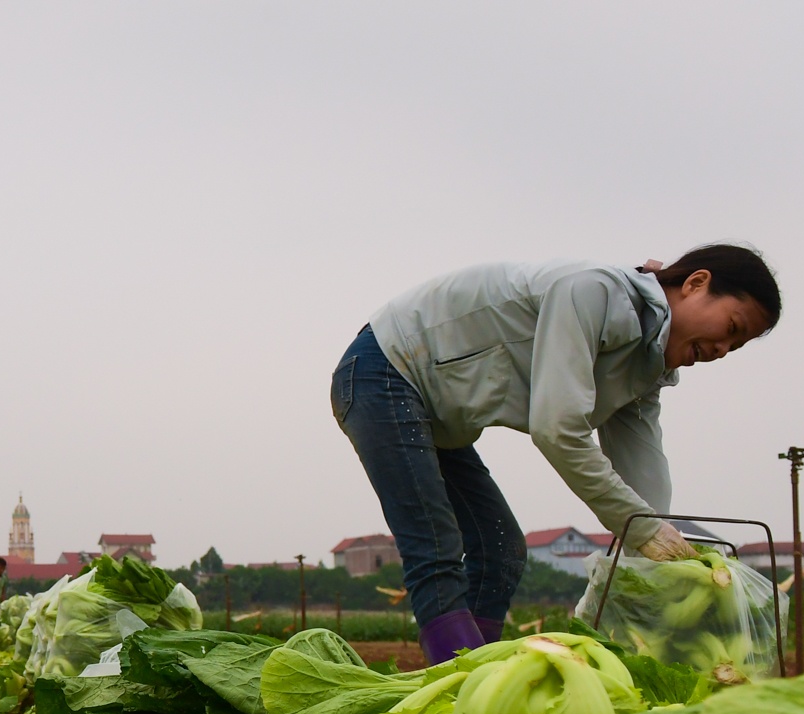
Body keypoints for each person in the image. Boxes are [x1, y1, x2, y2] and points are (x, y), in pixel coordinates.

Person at [329, 245, 780, 664]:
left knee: (501, 550)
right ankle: (455, 684)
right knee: (435, 543)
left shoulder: (646, 363)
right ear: (696, 283)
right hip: (385, 371)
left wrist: (658, 548)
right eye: (732, 328)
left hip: (435, 412)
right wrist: (640, 527)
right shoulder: (593, 293)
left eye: (735, 347)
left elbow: (642, 466)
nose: (722, 350)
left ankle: (475, 673)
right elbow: (557, 428)